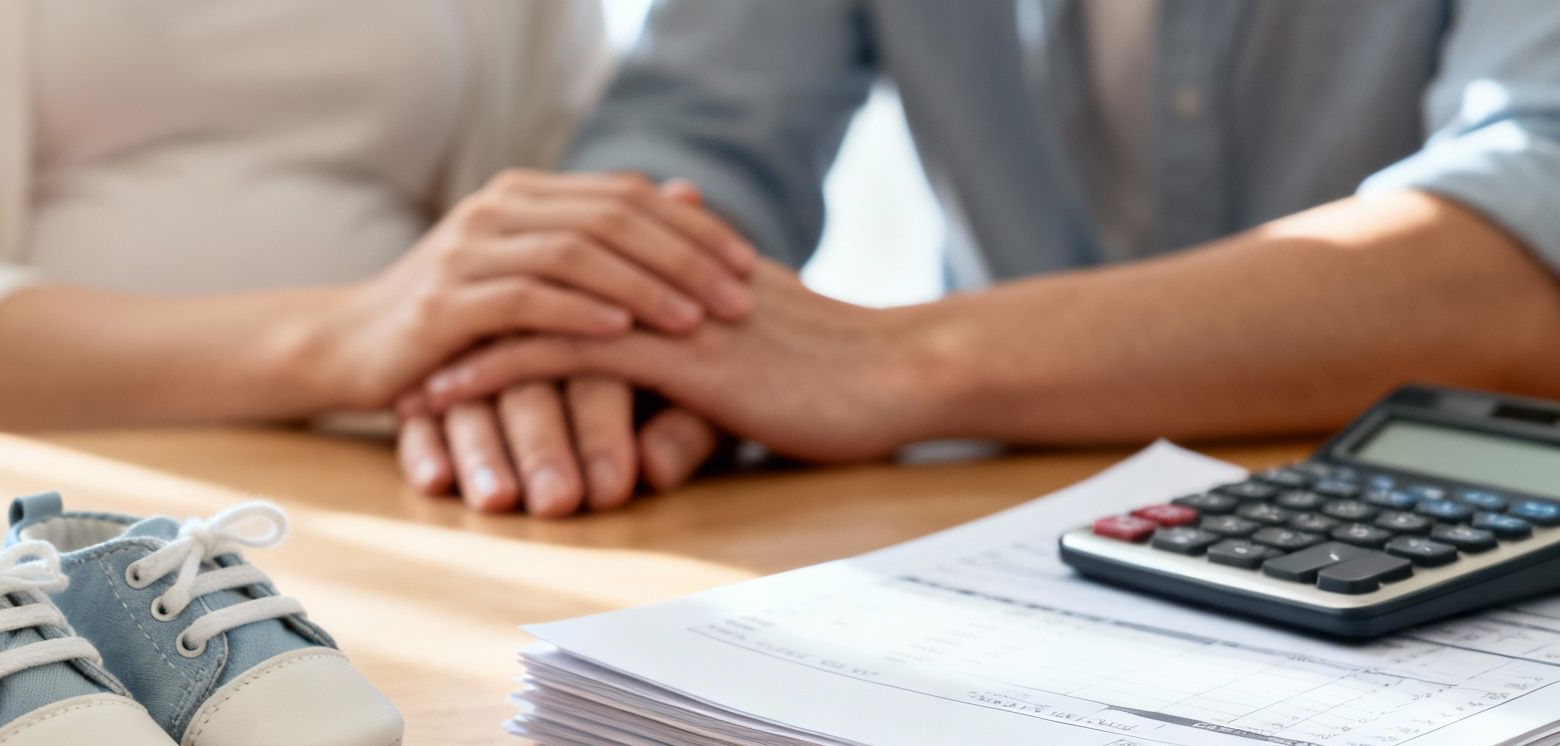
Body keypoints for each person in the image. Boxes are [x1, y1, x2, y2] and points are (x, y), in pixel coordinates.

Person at [408, 0, 1560, 481]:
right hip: (993, 524)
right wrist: (594, 321)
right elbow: (701, 128)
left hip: (1453, 528)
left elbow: (1524, 245)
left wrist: (890, 363)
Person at [0, 0, 754, 513]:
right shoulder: (360, 341)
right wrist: (346, 342)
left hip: (410, 494)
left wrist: (596, 330)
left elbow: (564, 213)